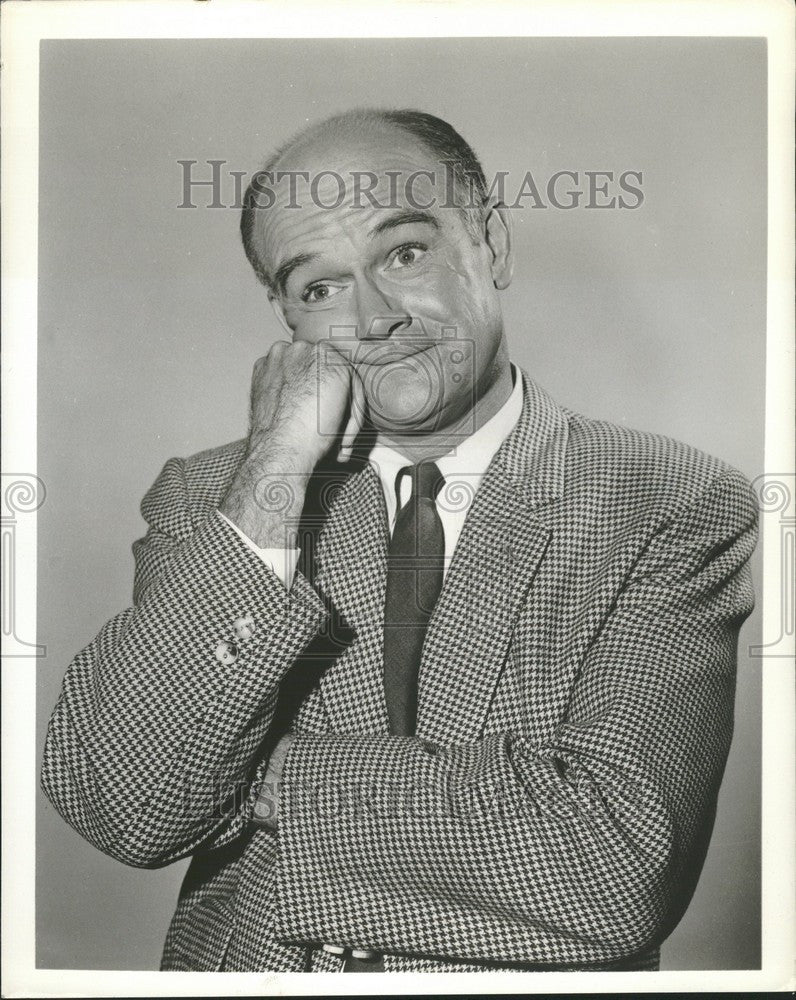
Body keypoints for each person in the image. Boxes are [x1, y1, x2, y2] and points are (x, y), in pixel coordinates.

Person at [41, 108, 758, 973]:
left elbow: (610, 867)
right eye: (320, 288)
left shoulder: (671, 501)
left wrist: (263, 780)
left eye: (404, 254)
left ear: (492, 246)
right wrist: (275, 468)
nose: (373, 317)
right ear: (286, 320)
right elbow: (128, 802)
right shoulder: (217, 500)